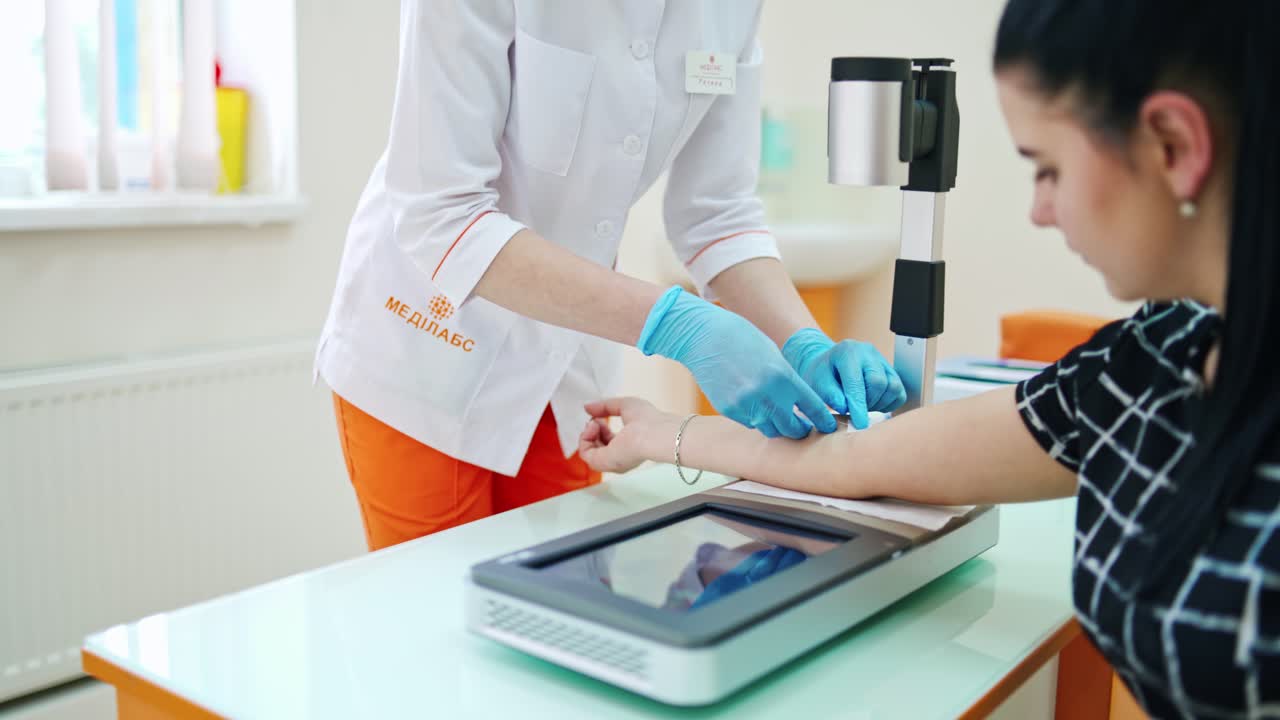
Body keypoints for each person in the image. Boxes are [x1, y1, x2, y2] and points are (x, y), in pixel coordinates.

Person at [576, 0, 1280, 716]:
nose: (1040, 209)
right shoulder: (1145, 365)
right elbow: (861, 460)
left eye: (1048, 169)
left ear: (1173, 146)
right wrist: (660, 432)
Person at [316, 2, 906, 552]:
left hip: (568, 361)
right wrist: (678, 325)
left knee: (561, 592)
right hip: (432, 337)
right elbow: (440, 211)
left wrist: (801, 342)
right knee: (438, 612)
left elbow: (716, 213)